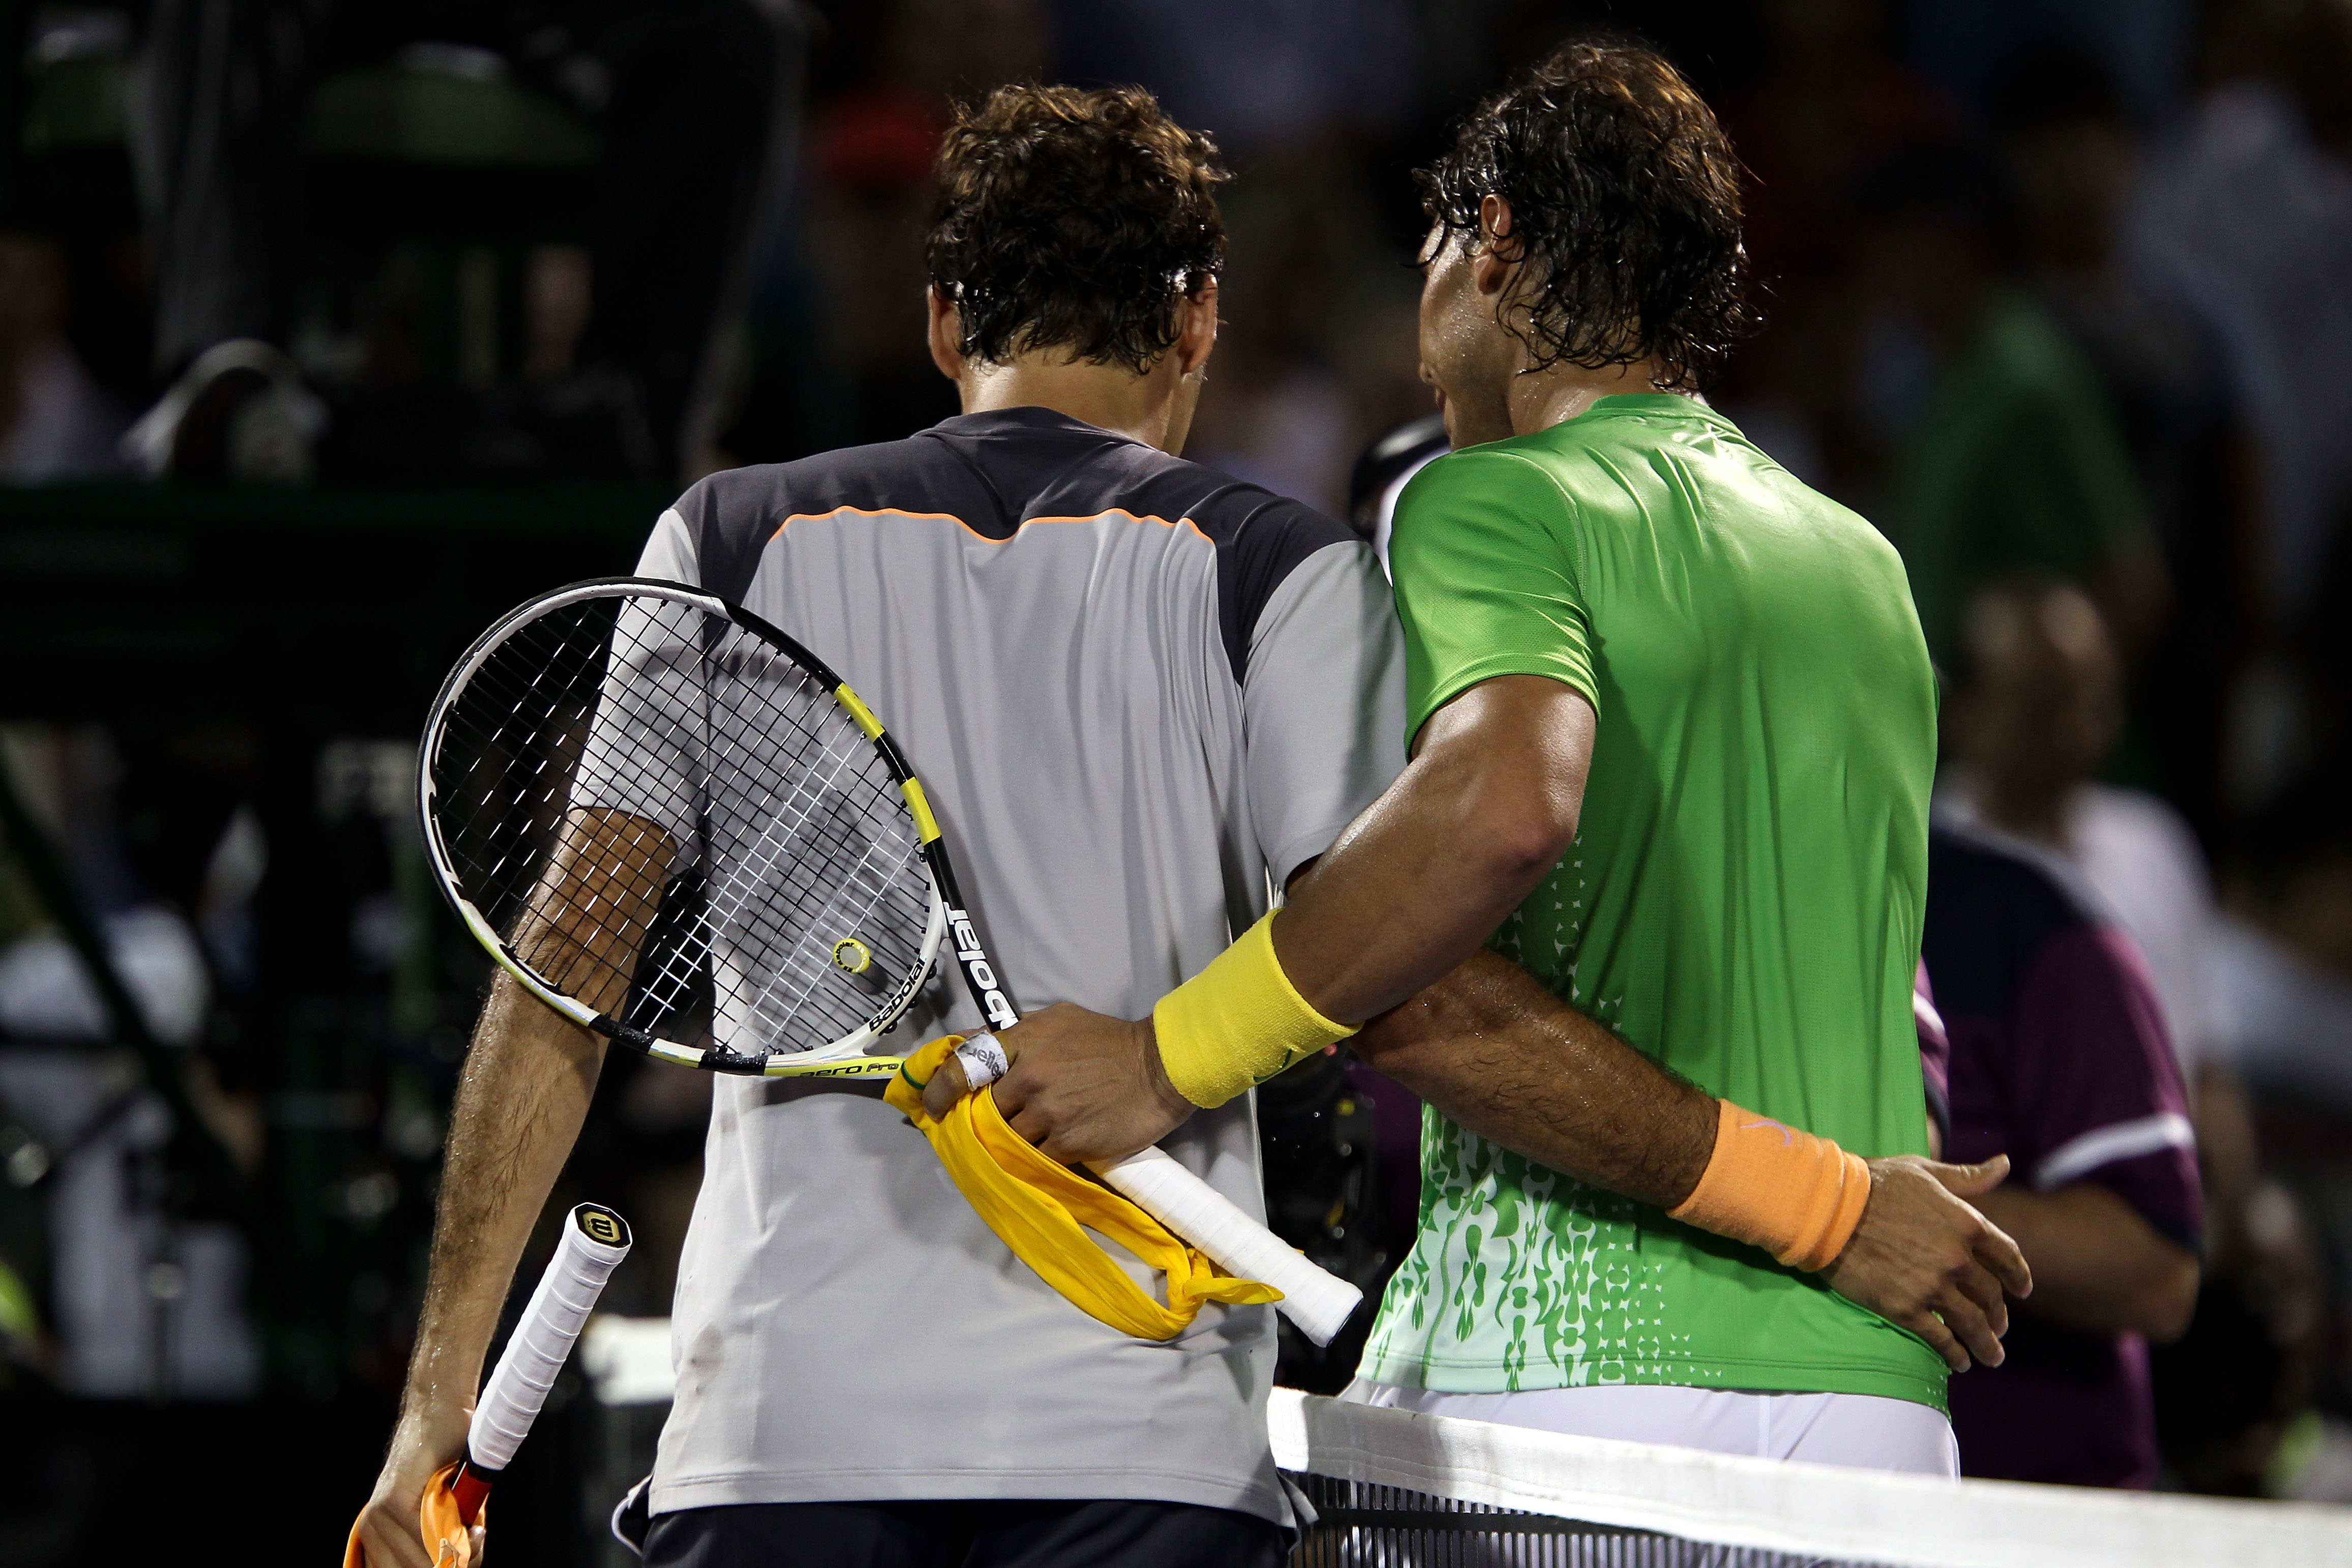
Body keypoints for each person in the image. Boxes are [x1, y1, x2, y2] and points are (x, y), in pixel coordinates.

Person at [934, 43, 2031, 1472]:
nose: (1419, 338)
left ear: (1493, 243)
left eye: (1430, 265)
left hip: (1573, 1376)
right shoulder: (1862, 564)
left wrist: (1161, 1058)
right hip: (1873, 1401)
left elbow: (1483, 843)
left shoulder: (1485, 500)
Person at [354, 83, 1400, 1568]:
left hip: (783, 1438)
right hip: (1144, 1450)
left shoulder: (727, 541)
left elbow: (564, 975)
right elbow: (1372, 942)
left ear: (941, 321)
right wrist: (1162, 1059)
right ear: (1196, 324)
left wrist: (433, 1404)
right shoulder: (1286, 571)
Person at [1925, 817, 2203, 1487]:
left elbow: (2159, 1270)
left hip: (2036, 1503)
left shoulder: (2027, 915)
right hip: (1785, 1487)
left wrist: (1852, 1199)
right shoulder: (1712, 902)